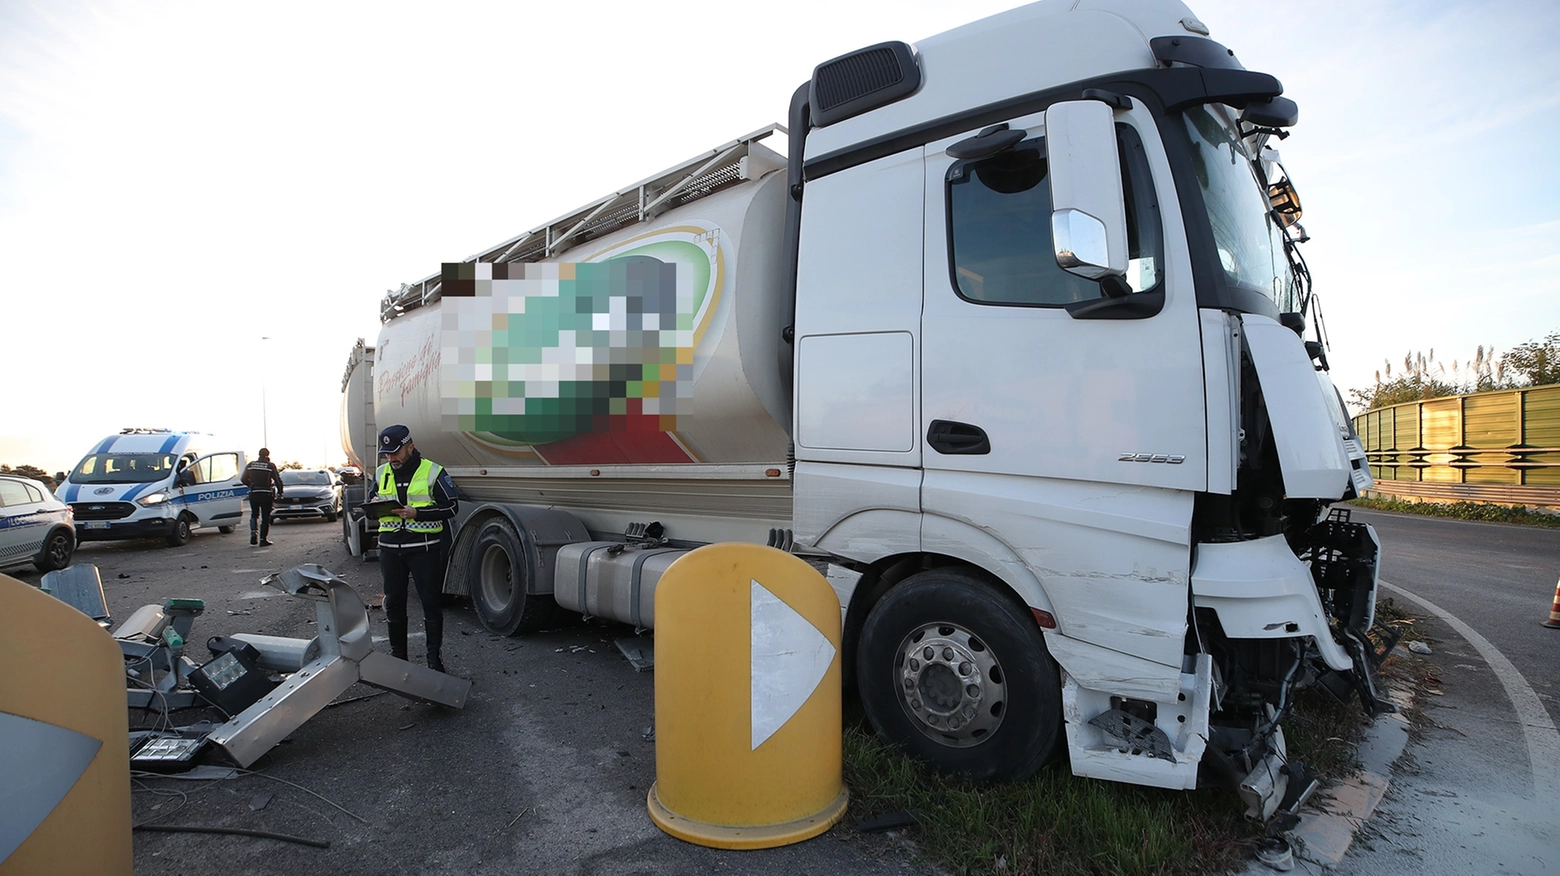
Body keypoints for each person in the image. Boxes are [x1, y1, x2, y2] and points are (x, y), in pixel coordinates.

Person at [371, 424, 459, 672]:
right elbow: (370, 501)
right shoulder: (381, 473)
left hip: (424, 549)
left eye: (395, 452)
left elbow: (451, 507)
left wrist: (417, 513)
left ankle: (434, 660)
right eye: (387, 454)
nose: (391, 458)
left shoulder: (433, 471)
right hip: (389, 549)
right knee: (394, 603)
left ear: (411, 447)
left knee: (431, 604)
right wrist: (374, 504)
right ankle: (398, 660)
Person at [240, 448, 284, 546]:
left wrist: (250, 485)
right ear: (268, 455)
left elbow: (243, 479)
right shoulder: (270, 466)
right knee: (265, 517)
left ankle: (253, 533)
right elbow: (277, 480)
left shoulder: (251, 465)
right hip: (266, 493)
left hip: (254, 493)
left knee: (254, 514)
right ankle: (263, 539)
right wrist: (280, 492)